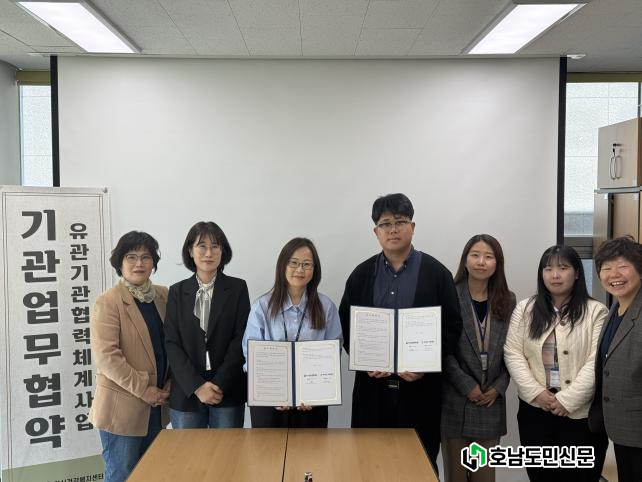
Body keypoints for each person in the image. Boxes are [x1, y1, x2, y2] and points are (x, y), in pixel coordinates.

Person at [338, 193, 462, 466]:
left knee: (419, 464)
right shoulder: (361, 274)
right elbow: (346, 323)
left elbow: (453, 326)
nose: (392, 229)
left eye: (400, 221)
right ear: (376, 231)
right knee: (368, 463)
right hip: (372, 391)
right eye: (385, 224)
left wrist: (427, 365)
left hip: (420, 390)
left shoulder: (437, 273)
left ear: (412, 227)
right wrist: (364, 360)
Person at [504, 245, 608, 482]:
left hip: (579, 415)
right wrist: (536, 393)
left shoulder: (596, 311)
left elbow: (597, 361)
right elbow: (512, 353)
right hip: (536, 410)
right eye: (548, 269)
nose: (555, 275)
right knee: (541, 476)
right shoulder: (526, 308)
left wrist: (567, 400)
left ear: (577, 273)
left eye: (563, 268)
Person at [90, 231, 169, 482]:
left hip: (158, 405)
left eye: (146, 257)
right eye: (131, 257)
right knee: (122, 475)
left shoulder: (164, 296)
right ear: (120, 263)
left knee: (152, 474)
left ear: (153, 262)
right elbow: (107, 357)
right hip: (121, 409)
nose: (139, 263)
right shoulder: (109, 302)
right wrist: (144, 389)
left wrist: (169, 385)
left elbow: (173, 345)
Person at [242, 237, 343, 427]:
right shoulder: (262, 307)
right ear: (282, 266)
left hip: (311, 401)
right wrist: (273, 393)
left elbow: (333, 352)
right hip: (270, 401)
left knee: (310, 447)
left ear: (314, 269)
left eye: (307, 264)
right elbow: (251, 355)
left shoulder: (326, 307)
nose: (300, 270)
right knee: (266, 447)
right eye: (294, 263)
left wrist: (316, 391)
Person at [441, 234, 516, 482]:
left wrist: (498, 387)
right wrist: (467, 386)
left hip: (490, 402)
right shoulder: (449, 295)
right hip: (456, 401)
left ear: (497, 263)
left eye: (488, 256)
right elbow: (441, 349)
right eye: (475, 255)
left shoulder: (508, 300)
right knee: (456, 476)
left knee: (484, 477)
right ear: (465, 260)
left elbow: (515, 350)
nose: (481, 262)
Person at [165, 221, 250, 428]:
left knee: (227, 449)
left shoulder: (238, 288)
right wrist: (197, 386)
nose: (208, 253)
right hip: (187, 392)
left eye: (215, 246)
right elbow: (172, 343)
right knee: (189, 450)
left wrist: (218, 384)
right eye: (202, 246)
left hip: (226, 391)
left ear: (223, 251)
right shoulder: (177, 292)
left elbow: (241, 339)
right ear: (190, 251)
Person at [589, 236, 642, 482]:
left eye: (623, 266)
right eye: (606, 268)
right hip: (623, 429)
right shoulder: (616, 308)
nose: (614, 274)